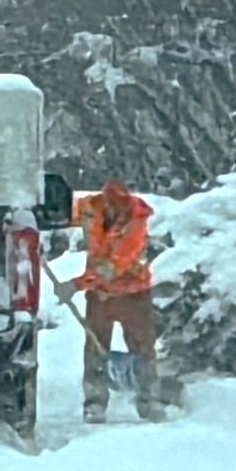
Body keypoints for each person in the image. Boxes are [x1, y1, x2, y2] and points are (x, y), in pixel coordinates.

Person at [53, 177, 163, 424]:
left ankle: (149, 399)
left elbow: (115, 265)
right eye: (111, 206)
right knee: (94, 348)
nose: (116, 212)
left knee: (142, 348)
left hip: (134, 293)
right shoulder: (91, 208)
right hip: (100, 296)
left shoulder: (136, 223)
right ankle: (94, 402)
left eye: (120, 208)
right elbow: (62, 213)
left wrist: (76, 284)